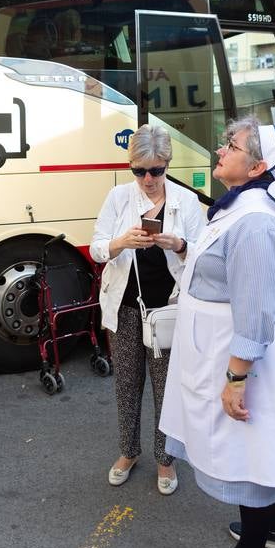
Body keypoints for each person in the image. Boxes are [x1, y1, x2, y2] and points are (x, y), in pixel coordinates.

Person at [160, 116, 275, 548]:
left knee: (250, 451)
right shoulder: (242, 207)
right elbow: (222, 268)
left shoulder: (257, 222)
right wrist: (181, 245)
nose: (220, 150)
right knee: (256, 445)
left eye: (231, 145)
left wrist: (236, 377)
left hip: (240, 357)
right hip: (224, 350)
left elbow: (257, 309)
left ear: (258, 165)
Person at [90, 124, 205, 495]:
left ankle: (165, 458)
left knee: (166, 389)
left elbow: (202, 256)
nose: (148, 179)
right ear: (131, 166)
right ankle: (128, 452)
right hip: (124, 307)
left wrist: (179, 244)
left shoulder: (185, 202)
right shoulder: (119, 197)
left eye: (156, 170)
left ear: (168, 165)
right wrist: (120, 242)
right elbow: (95, 247)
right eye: (139, 170)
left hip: (167, 310)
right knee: (126, 384)